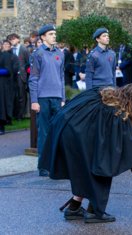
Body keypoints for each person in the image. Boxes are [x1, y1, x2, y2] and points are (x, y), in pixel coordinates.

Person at [41, 84, 132, 223]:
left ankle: (74, 208)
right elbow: (127, 147)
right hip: (73, 133)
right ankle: (94, 212)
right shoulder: (117, 114)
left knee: (87, 168)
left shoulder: (105, 94)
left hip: (65, 127)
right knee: (104, 163)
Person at [28, 24, 65, 176]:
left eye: (54, 34)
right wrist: (34, 100)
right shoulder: (37, 54)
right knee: (44, 132)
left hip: (57, 97)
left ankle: (56, 163)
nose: (54, 36)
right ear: (43, 37)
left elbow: (62, 77)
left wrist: (63, 97)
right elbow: (33, 78)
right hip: (43, 98)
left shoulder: (60, 53)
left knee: (59, 131)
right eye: (50, 34)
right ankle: (43, 166)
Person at [7, 33, 30, 120]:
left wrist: (26, 74)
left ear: (18, 39)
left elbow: (28, 63)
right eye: (10, 39)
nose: (12, 40)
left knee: (22, 96)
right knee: (13, 95)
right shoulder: (10, 50)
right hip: (12, 76)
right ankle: (14, 113)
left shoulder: (24, 49)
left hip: (21, 76)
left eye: (13, 39)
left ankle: (20, 115)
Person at [0, 48, 18, 135]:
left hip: (2, 84)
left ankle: (1, 127)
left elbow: (8, 70)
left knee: (1, 107)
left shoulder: (5, 56)